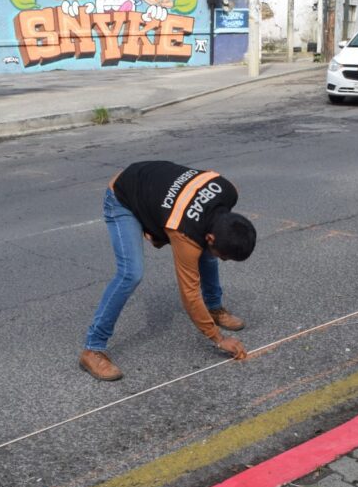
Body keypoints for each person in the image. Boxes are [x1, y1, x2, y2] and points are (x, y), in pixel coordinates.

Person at [80, 160, 257, 381]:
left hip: (153, 187)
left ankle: (214, 308)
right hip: (123, 196)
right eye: (226, 256)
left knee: (208, 255)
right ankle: (92, 348)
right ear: (211, 236)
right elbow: (190, 295)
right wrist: (218, 339)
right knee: (131, 273)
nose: (224, 261)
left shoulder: (228, 191)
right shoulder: (186, 233)